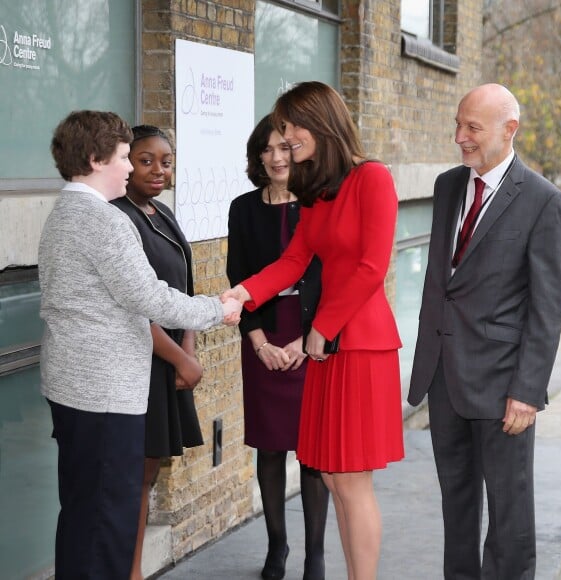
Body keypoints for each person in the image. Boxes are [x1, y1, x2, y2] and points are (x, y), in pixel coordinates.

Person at [39, 110, 241, 580]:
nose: (131, 168)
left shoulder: (66, 211)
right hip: (104, 395)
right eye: (126, 157)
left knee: (84, 516)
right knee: (107, 526)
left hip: (78, 390)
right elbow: (148, 297)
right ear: (95, 159)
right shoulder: (101, 220)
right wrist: (217, 309)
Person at [224, 82, 404, 580]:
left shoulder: (372, 178)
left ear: (320, 123)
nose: (285, 138)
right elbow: (295, 259)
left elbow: (371, 267)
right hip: (326, 346)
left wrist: (320, 329)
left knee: (350, 480)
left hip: (360, 343)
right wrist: (245, 294)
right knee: (329, 472)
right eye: (280, 130)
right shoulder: (317, 193)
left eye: (291, 128)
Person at [408, 84, 561, 579]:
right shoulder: (446, 187)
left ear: (509, 129)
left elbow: (546, 308)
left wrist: (527, 391)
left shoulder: (544, 201)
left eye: (473, 128)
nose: (460, 137)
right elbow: (444, 283)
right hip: (445, 378)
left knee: (509, 514)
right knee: (456, 507)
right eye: (459, 125)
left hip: (504, 388)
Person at [226, 115, 329, 580]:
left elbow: (330, 277)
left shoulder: (319, 205)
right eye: (266, 149)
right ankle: (277, 548)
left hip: (311, 335)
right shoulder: (243, 208)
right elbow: (239, 278)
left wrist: (307, 342)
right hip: (261, 334)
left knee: (312, 452)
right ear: (257, 156)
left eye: (284, 148)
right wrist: (260, 342)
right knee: (269, 448)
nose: (276, 157)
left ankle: (316, 556)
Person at [110, 125, 206, 580]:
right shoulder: (117, 217)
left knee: (146, 476)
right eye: (146, 160)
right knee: (131, 480)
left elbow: (183, 287)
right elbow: (132, 306)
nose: (158, 170)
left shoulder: (161, 213)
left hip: (168, 359)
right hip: (138, 362)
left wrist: (188, 344)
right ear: (126, 163)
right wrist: (179, 358)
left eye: (165, 162)